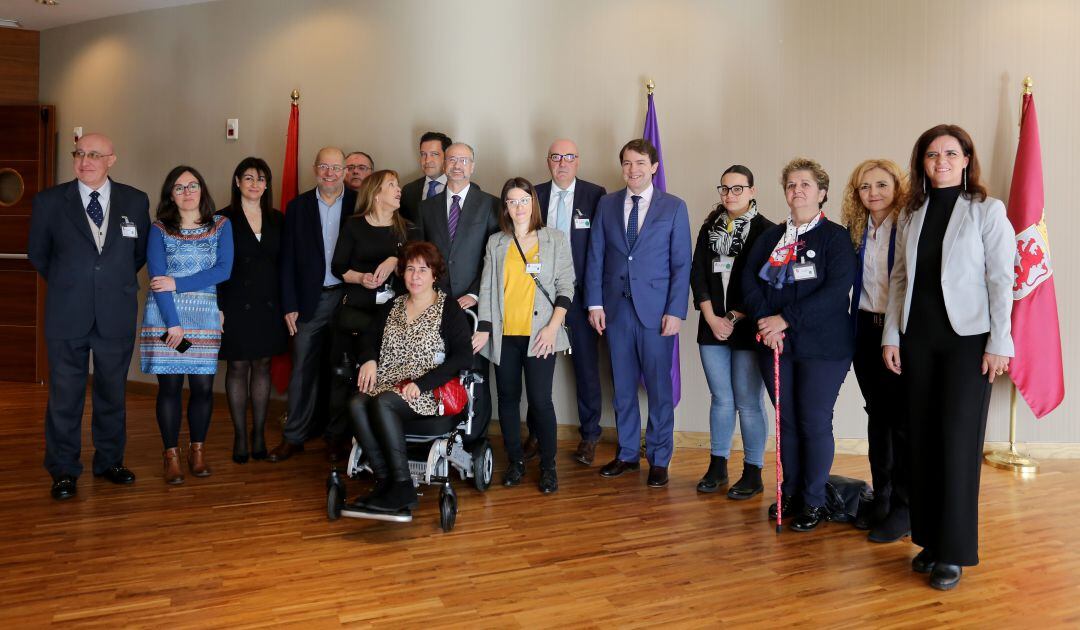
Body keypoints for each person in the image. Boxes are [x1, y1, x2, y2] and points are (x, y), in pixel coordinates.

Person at [883, 125, 1014, 591]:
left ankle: (954, 551)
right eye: (932, 154)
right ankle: (930, 541)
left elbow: (1001, 280)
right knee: (921, 442)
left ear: (965, 159)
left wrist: (1002, 341)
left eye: (950, 153)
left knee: (957, 444)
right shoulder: (911, 213)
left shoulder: (987, 211)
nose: (941, 160)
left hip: (968, 343)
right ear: (922, 162)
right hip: (918, 340)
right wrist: (891, 336)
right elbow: (899, 279)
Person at [28, 133, 151, 500]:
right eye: (79, 153)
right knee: (65, 397)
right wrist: (73, 284)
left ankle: (110, 461)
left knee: (112, 392)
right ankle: (63, 470)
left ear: (112, 159)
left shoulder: (135, 200)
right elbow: (39, 254)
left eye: (94, 154)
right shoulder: (50, 202)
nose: (85, 161)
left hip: (115, 312)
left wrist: (106, 283)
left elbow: (138, 254)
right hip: (67, 314)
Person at [741, 158, 856, 531]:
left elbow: (835, 291)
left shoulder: (836, 237)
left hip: (823, 348)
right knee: (786, 421)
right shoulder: (770, 237)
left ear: (822, 192)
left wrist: (785, 319)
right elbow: (749, 283)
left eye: (806, 184)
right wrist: (766, 323)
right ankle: (788, 494)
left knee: (813, 421)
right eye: (791, 184)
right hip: (775, 345)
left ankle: (814, 500)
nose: (798, 190)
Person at [585, 138, 692, 488]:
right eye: (627, 163)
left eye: (640, 163)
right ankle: (628, 454)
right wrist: (595, 303)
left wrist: (676, 311)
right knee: (623, 388)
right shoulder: (607, 204)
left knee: (659, 389)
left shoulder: (674, 207)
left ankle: (659, 458)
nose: (633, 170)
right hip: (616, 311)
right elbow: (596, 256)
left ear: (654, 167)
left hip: (657, 313)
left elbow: (681, 264)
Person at [346, 242, 474, 517]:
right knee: (357, 403)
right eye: (410, 269)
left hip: (428, 389)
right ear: (403, 274)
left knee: (383, 403)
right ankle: (384, 482)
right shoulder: (392, 306)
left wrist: (424, 383)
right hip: (389, 382)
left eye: (423, 270)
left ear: (435, 275)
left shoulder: (448, 309)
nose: (415, 276)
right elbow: (368, 337)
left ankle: (403, 486)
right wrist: (369, 358)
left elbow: (463, 357)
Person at [473, 177, 575, 493]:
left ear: (533, 203)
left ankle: (548, 467)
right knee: (507, 400)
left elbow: (565, 287)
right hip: (505, 336)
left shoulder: (554, 239)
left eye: (524, 200)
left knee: (542, 402)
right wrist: (485, 329)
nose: (518, 207)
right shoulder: (496, 242)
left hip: (541, 335)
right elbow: (487, 289)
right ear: (505, 207)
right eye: (512, 201)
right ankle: (516, 462)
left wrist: (553, 327)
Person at [139, 166, 233, 484]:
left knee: (204, 387)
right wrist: (174, 324)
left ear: (202, 190)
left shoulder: (221, 225)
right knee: (170, 387)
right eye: (179, 188)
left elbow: (223, 270)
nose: (187, 192)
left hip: (204, 316)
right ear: (170, 195)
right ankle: (171, 456)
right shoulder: (159, 228)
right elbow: (157, 280)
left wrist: (178, 283)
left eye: (193, 185)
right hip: (167, 318)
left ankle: (197, 451)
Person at [689, 165, 773, 498]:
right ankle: (718, 466)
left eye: (738, 189)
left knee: (749, 402)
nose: (730, 195)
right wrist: (712, 318)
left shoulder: (767, 231)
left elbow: (766, 284)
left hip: (748, 326)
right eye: (724, 188)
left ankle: (753, 472)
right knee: (721, 399)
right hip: (712, 325)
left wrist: (734, 317)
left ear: (752, 191)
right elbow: (698, 275)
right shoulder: (710, 227)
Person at [325, 169, 420, 460]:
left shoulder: (408, 229)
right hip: (356, 314)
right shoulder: (354, 226)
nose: (398, 189)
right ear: (376, 193)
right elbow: (339, 266)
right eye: (392, 184)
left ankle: (380, 439)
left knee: (385, 379)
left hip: (394, 319)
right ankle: (338, 440)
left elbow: (422, 265)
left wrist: (395, 259)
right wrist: (361, 278)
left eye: (398, 184)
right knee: (344, 377)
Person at [271, 147, 358, 462]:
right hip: (310, 300)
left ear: (345, 170)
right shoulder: (298, 207)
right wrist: (289, 303)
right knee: (302, 371)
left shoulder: (357, 203)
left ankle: (336, 439)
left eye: (337, 167)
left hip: (347, 299)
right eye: (324, 166)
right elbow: (287, 260)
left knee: (342, 372)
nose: (330, 173)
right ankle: (294, 436)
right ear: (315, 169)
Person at [840, 159, 910, 541]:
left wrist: (896, 336)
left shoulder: (909, 226)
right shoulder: (856, 230)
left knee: (901, 421)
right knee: (877, 416)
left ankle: (904, 505)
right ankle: (880, 496)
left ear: (897, 187)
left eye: (881, 185)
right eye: (865, 187)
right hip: (864, 329)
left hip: (898, 332)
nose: (873, 193)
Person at [416, 142, 500, 442]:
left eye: (464, 160)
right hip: (434, 305)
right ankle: (440, 435)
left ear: (473, 166)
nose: (457, 166)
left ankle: (475, 439)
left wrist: (476, 293)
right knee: (436, 367)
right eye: (451, 159)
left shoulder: (490, 204)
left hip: (475, 306)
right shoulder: (427, 207)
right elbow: (422, 256)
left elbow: (494, 258)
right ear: (443, 164)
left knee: (475, 373)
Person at [531, 139, 607, 466]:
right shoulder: (533, 194)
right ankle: (537, 434)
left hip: (578, 297)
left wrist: (595, 301)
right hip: (540, 298)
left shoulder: (596, 195)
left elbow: (600, 251)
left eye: (569, 157)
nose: (562, 163)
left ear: (578, 161)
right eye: (556, 157)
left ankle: (590, 436)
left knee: (586, 370)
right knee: (536, 370)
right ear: (548, 161)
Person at [217, 157, 287, 464]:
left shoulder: (278, 218)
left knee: (262, 365)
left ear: (267, 184)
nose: (255, 184)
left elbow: (286, 266)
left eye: (260, 178)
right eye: (248, 178)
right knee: (237, 367)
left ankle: (258, 433)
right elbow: (214, 268)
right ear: (237, 182)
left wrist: (290, 306)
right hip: (233, 303)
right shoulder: (221, 219)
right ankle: (240, 436)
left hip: (270, 304)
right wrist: (217, 307)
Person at [399, 131, 452, 223]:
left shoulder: (463, 189)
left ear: (447, 157)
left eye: (434, 154)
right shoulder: (408, 190)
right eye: (423, 154)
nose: (427, 160)